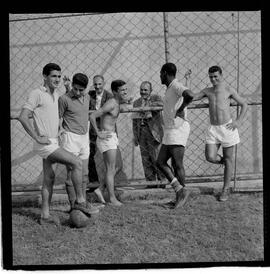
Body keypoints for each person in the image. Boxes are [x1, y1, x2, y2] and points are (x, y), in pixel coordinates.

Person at [18, 63, 95, 226]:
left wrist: (59, 129)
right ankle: (80, 201)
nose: (57, 79)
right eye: (53, 76)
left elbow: (63, 107)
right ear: (45, 76)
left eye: (59, 76)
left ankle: (45, 216)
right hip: (45, 144)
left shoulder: (57, 94)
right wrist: (37, 137)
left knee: (49, 179)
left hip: (54, 140)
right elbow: (23, 116)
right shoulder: (37, 93)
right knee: (76, 162)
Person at [192, 65, 247, 201]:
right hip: (213, 129)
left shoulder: (228, 89)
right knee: (210, 156)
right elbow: (192, 97)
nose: (213, 79)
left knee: (228, 159)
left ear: (221, 76)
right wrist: (187, 81)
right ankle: (227, 163)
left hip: (227, 128)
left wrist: (238, 122)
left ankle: (225, 189)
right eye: (211, 77)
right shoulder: (208, 91)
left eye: (216, 76)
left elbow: (244, 104)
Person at [59, 73, 100, 213]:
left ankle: (82, 201)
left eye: (80, 90)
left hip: (84, 137)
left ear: (86, 88)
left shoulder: (88, 97)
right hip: (70, 138)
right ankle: (73, 205)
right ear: (72, 86)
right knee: (71, 172)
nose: (77, 92)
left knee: (84, 173)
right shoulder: (64, 99)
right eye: (75, 89)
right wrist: (59, 131)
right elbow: (58, 117)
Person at [156, 62, 194, 209]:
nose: (160, 76)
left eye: (160, 73)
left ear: (165, 73)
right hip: (171, 129)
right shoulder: (171, 87)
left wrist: (181, 109)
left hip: (178, 128)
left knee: (177, 164)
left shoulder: (176, 85)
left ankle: (182, 194)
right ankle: (180, 191)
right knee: (161, 162)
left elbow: (189, 95)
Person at [89, 80, 129, 206]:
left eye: (125, 89)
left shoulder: (116, 102)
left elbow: (121, 104)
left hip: (112, 137)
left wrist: (127, 100)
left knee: (118, 165)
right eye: (122, 90)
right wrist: (98, 133)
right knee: (110, 169)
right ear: (115, 91)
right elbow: (93, 116)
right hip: (106, 137)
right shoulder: (111, 103)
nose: (125, 92)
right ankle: (111, 199)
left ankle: (100, 189)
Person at [132, 81, 166, 185]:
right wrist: (135, 135)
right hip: (141, 131)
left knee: (156, 158)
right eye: (141, 90)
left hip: (154, 132)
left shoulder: (156, 98)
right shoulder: (136, 102)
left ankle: (162, 180)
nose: (143, 92)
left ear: (150, 91)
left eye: (145, 90)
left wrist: (149, 104)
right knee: (145, 158)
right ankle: (151, 182)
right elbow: (134, 120)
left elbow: (163, 104)